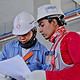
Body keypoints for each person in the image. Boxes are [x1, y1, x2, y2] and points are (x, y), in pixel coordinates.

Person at [26, 4, 80, 80]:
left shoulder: (71, 38)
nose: (40, 30)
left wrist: (47, 76)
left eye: (42, 25)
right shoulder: (54, 46)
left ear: (54, 22)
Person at [0, 11, 49, 80]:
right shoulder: (8, 48)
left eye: (25, 34)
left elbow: (48, 73)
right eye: (19, 35)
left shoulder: (44, 52)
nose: (22, 38)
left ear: (34, 31)